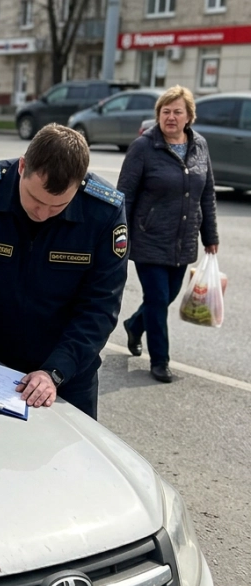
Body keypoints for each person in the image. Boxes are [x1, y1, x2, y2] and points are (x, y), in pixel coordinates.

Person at [0, 124, 128, 419]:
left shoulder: (104, 211)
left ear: (80, 184)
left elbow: (100, 307)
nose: (42, 213)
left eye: (57, 206)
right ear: (22, 167)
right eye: (36, 200)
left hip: (66, 375)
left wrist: (54, 371)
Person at [117, 86, 219, 383]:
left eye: (177, 112)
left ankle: (135, 325)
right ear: (158, 115)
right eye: (165, 111)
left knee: (166, 297)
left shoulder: (199, 145)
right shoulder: (143, 147)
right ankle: (160, 361)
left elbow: (207, 193)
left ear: (189, 116)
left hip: (183, 240)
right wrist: (120, 237)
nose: (171, 117)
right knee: (158, 297)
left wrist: (210, 235)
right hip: (148, 238)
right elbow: (125, 194)